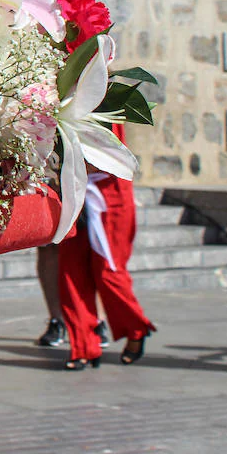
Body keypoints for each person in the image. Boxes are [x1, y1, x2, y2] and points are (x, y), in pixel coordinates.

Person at [58, 127, 156, 371]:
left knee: (108, 272)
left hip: (109, 193)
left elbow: (111, 152)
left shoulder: (108, 98)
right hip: (73, 188)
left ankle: (136, 328)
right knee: (71, 270)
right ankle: (83, 346)